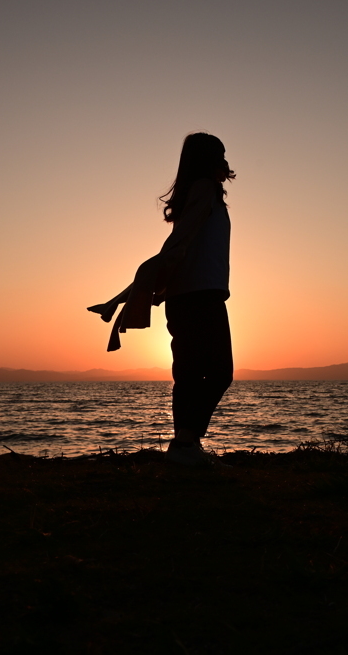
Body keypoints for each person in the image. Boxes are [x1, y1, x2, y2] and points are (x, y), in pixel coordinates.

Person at [88, 133, 235, 466]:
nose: (225, 159)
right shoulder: (205, 189)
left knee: (188, 374)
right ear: (208, 158)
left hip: (184, 298)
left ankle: (185, 450)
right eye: (220, 153)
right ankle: (186, 445)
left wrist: (121, 298)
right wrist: (125, 296)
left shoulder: (196, 194)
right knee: (217, 373)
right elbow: (176, 248)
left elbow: (177, 252)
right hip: (201, 296)